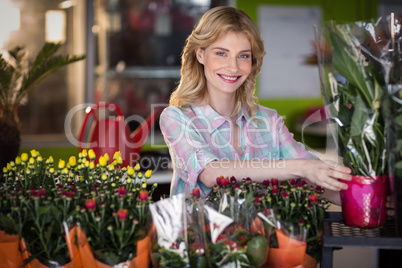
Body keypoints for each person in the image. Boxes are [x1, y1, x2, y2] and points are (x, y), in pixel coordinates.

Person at [159, 6, 351, 204]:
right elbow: (210, 173)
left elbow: (314, 178)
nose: (233, 67)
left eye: (243, 56)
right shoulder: (176, 117)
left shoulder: (269, 122)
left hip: (259, 235)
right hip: (199, 234)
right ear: (200, 55)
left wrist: (370, 200)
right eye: (221, 53)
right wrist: (301, 167)